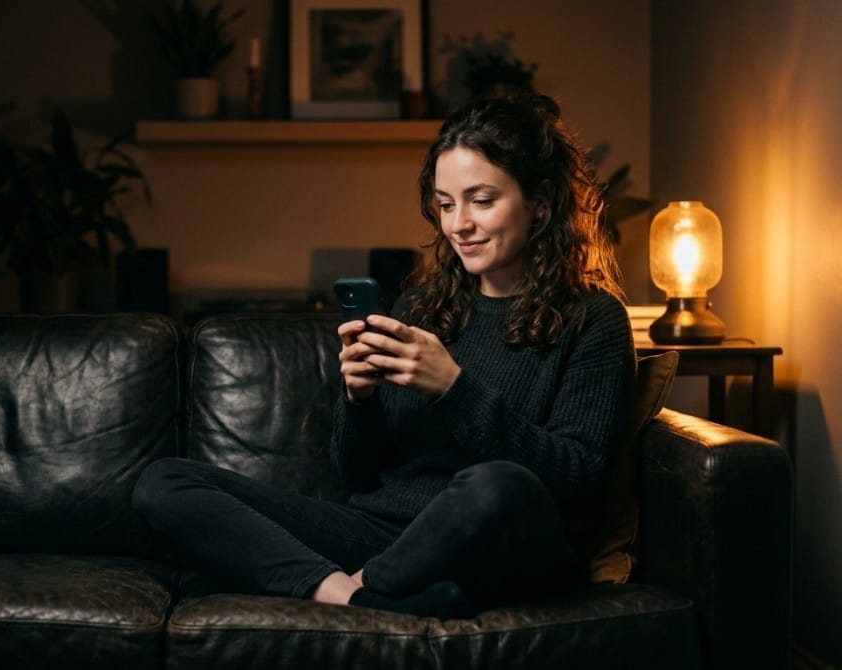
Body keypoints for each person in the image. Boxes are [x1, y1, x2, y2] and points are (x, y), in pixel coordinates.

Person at [131, 94, 636, 619]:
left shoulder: (593, 319)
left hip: (498, 544)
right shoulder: (423, 306)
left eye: (481, 200)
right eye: (445, 204)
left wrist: (453, 389)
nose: (458, 224)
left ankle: (374, 585)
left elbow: (577, 480)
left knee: (498, 484)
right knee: (165, 481)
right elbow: (357, 478)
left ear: (541, 202)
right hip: (384, 536)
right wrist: (359, 398)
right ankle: (349, 596)